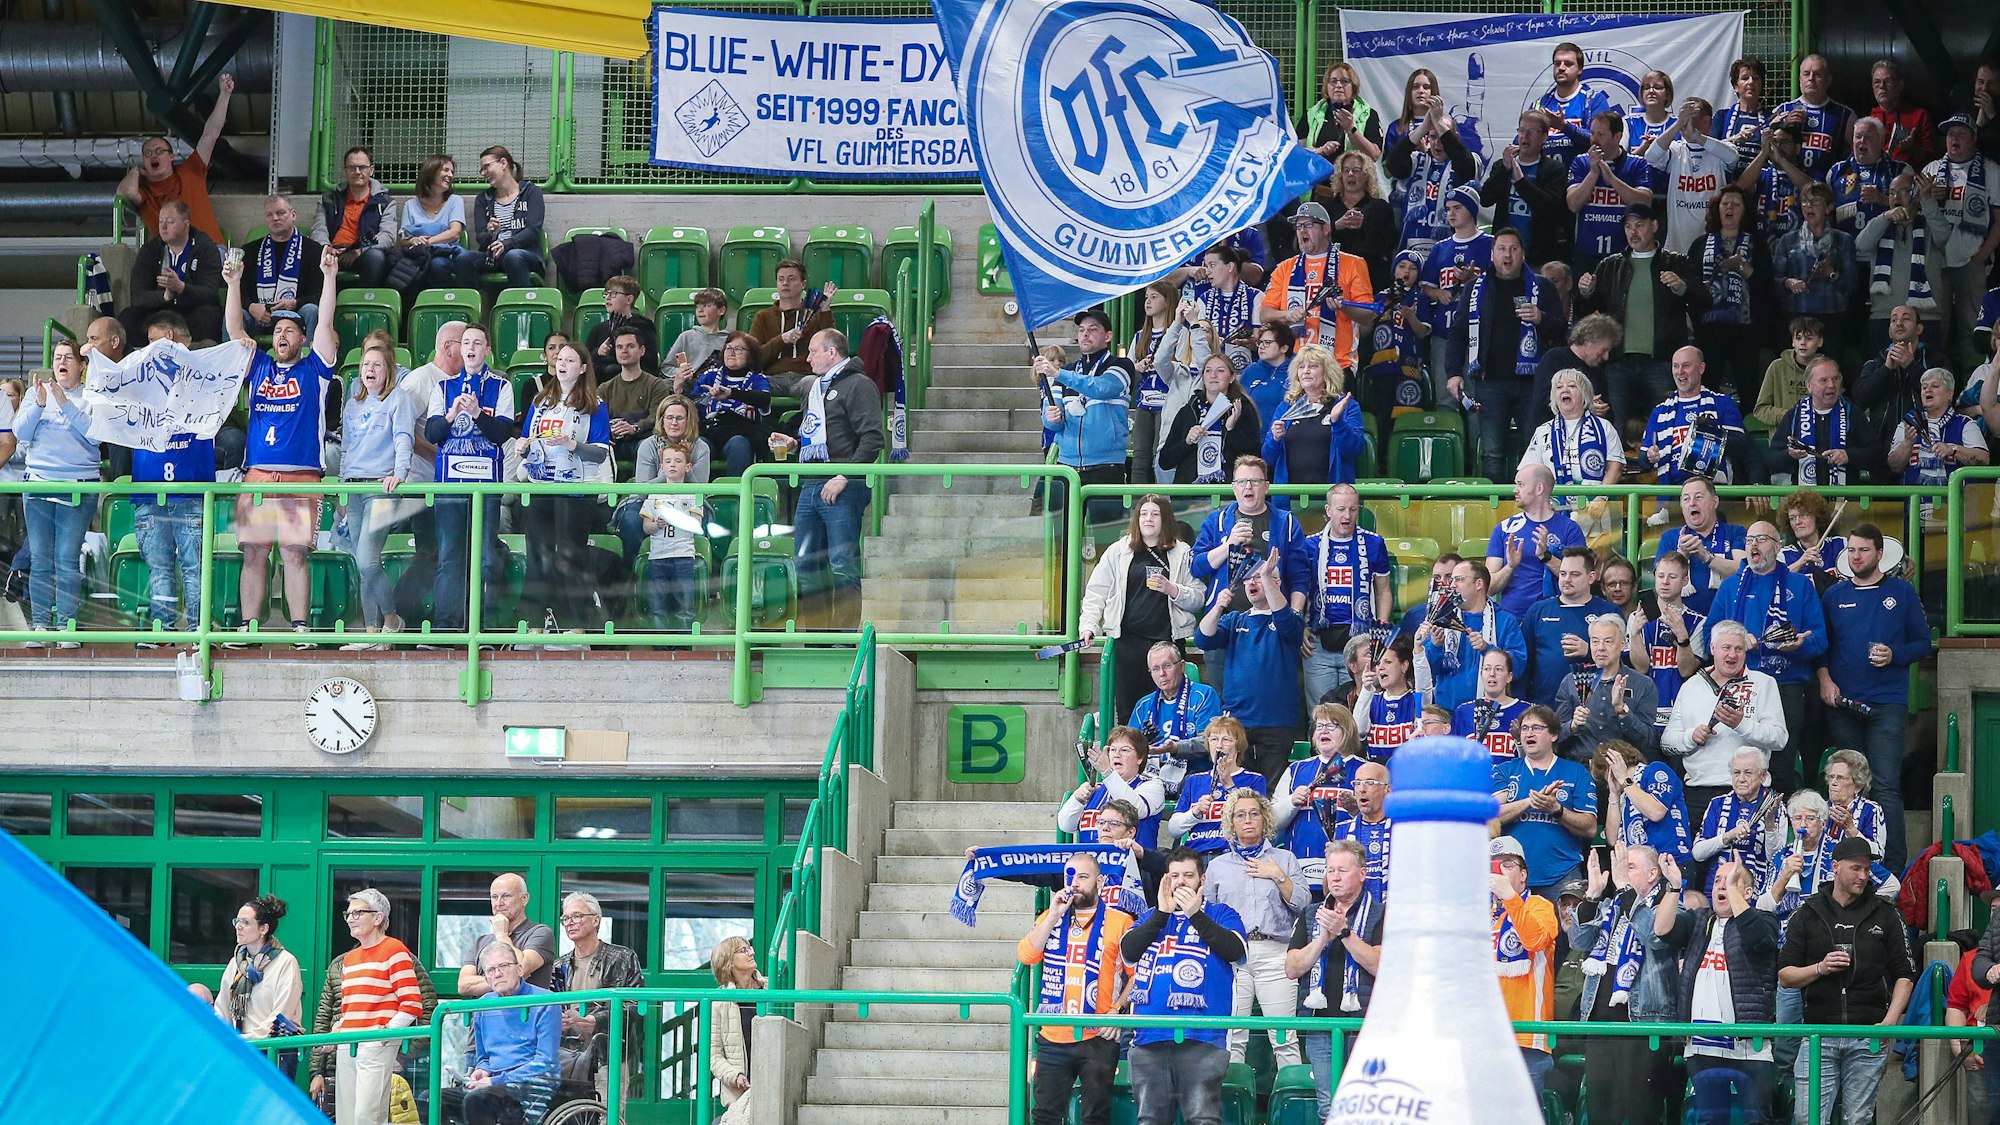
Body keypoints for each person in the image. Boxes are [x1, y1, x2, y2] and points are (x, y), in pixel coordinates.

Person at [223, 245, 342, 644]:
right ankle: (249, 627)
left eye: (290, 330)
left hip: (301, 477)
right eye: (277, 330)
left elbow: (326, 322)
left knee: (294, 554)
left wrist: (329, 277)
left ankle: (300, 627)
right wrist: (234, 284)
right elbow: (235, 333)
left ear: (303, 338)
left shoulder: (315, 368)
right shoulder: (258, 365)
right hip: (258, 475)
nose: (281, 335)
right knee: (253, 553)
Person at [1777, 837, 1917, 1124]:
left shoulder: (1887, 913)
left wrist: (1890, 1022)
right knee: (1807, 1119)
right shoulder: (1807, 912)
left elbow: (1905, 974)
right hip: (1818, 1032)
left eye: (1867, 869)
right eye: (1856, 868)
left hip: (1868, 1033)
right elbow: (1785, 975)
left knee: (1858, 1120)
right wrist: (1819, 968)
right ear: (1835, 866)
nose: (1863, 876)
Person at [1818, 524, 1930, 871]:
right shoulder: (1834, 595)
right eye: (1851, 550)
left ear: (1880, 553)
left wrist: (1894, 654)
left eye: (1863, 550)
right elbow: (1821, 646)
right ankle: (1849, 860)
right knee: (1848, 786)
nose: (1856, 557)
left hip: (1887, 704)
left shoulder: (1902, 592)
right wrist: (1824, 680)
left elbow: (1923, 643)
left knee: (1885, 786)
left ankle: (1892, 869)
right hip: (1843, 705)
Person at [1122, 848, 1247, 1125]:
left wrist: (1195, 914)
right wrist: (1161, 914)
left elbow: (1236, 951)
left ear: (1202, 880)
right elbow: (1129, 952)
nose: (1180, 882)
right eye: (1174, 875)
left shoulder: (1221, 913)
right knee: (1149, 1120)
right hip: (1149, 1037)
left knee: (1203, 1120)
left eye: (1188, 875)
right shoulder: (1150, 916)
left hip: (1203, 1038)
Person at [768, 330, 882, 631]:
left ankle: (844, 640)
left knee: (842, 565)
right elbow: (821, 437)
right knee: (806, 566)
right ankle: (816, 639)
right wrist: (794, 444)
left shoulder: (859, 385)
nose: (807, 358)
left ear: (832, 352)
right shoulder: (817, 387)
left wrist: (844, 475)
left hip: (844, 485)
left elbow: (872, 439)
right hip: (812, 483)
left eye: (813, 351)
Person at [1706, 519, 1828, 791]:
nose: (1753, 545)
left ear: (1777, 546)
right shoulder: (1730, 587)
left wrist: (1799, 645)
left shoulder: (1800, 585)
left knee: (1782, 766)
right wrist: (1737, 641)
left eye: (1761, 539)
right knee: (1740, 763)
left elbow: (1820, 639)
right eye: (1749, 540)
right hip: (1740, 686)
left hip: (1787, 686)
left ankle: (1776, 816)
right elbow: (1708, 637)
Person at [1658, 856, 1783, 1124]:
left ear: (1747, 892)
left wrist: (1734, 892)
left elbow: (1759, 939)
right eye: (1717, 881)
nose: (1721, 886)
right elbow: (1663, 930)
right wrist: (1674, 887)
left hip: (1749, 1046)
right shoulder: (1699, 920)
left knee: (1757, 1120)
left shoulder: (1764, 920)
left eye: (1731, 881)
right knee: (1710, 1121)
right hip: (1703, 1046)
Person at [1016, 852, 1134, 1125]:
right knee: (1044, 1116)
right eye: (1070, 876)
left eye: (1083, 876)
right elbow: (1026, 955)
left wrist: (1118, 1011)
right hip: (1053, 1035)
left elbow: (1138, 975)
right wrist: (1053, 915)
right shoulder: (1050, 917)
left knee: (1095, 1117)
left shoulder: (1121, 921)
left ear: (1100, 882)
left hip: (1098, 1036)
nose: (1075, 883)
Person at [1569, 843, 1677, 1125]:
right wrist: (1592, 896)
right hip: (1600, 1026)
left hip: (1642, 1027)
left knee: (1642, 1115)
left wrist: (1626, 891)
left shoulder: (1667, 906)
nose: (1621, 872)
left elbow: (1654, 936)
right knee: (1601, 1114)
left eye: (1629, 866)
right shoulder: (1611, 906)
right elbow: (1578, 941)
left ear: (1652, 874)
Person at [1581, 206, 1709, 439]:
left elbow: (1705, 300)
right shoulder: (1610, 265)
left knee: (1665, 429)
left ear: (1654, 226)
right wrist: (1586, 293)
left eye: (1639, 225)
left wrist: (1682, 287)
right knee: (1617, 430)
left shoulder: (1677, 262)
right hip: (1619, 364)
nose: (1633, 232)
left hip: (1662, 362)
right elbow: (1587, 312)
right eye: (1628, 227)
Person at [424, 323, 517, 638]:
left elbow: (502, 433)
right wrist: (450, 415)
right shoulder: (444, 387)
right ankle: (445, 629)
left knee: (486, 558)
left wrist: (478, 414)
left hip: (485, 486)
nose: (471, 348)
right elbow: (432, 433)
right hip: (450, 486)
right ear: (459, 349)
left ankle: (484, 629)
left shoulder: (502, 387)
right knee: (449, 557)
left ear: (488, 349)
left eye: (478, 343)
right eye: (466, 343)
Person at [513, 339, 612, 633]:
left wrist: (572, 444)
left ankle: (577, 624)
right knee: (538, 555)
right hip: (541, 487)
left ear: (582, 368)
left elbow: (600, 453)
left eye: (569, 360)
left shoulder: (595, 406)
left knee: (571, 555)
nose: (562, 363)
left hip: (576, 490)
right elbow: (529, 441)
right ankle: (533, 623)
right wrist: (522, 448)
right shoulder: (540, 402)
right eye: (559, 359)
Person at [1204, 790, 1306, 1067]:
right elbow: (1207, 914)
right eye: (1240, 815)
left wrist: (1277, 876)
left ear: (1265, 819)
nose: (1248, 820)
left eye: (1254, 814)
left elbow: (1303, 904)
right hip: (1232, 957)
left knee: (1284, 1038)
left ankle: (1291, 1094)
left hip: (1275, 953)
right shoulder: (1217, 866)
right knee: (1232, 1037)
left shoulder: (1284, 859)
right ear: (1231, 823)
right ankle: (1234, 1093)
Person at [1080, 496, 1204, 720]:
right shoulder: (1118, 551)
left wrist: (1173, 589)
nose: (1148, 519)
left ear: (1165, 519)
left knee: (1169, 708)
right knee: (1129, 711)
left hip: (1168, 642)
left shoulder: (1183, 552)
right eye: (1144, 514)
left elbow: (1197, 598)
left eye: (1155, 514)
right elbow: (1096, 591)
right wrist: (1089, 625)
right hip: (1129, 643)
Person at [1285, 840, 1383, 1121]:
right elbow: (1292, 968)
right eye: (1330, 870)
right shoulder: (1311, 913)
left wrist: (1344, 933)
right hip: (1320, 1025)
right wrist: (1322, 939)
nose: (1335, 877)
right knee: (1328, 1106)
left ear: (1362, 874)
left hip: (1365, 1026)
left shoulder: (1381, 913)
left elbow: (1381, 966)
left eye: (1342, 870)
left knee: (1365, 1107)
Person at [310, 889, 425, 1123]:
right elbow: (348, 1010)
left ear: (378, 917)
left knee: (367, 1116)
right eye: (348, 914)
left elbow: (412, 1003)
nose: (350, 919)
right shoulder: (349, 959)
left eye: (357, 913)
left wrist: (385, 1035)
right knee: (346, 1117)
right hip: (347, 1044)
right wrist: (334, 1035)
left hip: (375, 1044)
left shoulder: (394, 950)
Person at [1460, 228, 1563, 476]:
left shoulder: (1543, 287)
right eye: (1502, 249)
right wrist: (1453, 372)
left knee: (1536, 448)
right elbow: (1458, 332)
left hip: (1532, 384)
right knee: (1492, 452)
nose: (1507, 255)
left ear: (1523, 254)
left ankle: (1535, 498)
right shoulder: (1475, 288)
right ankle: (1495, 500)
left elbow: (1562, 331)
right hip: (1490, 382)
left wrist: (1541, 318)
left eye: (1514, 249)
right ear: (1492, 254)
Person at [1195, 553, 1305, 788]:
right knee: (1235, 790)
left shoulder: (1291, 620)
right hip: (1237, 722)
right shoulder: (1235, 620)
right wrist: (1218, 607)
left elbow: (1285, 622)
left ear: (1276, 583)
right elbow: (1202, 638)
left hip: (1276, 723)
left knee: (1271, 792)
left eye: (1260, 577)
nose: (1252, 582)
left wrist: (1267, 577)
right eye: (1248, 579)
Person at [1662, 619, 1788, 816]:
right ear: (1712, 649)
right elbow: (1667, 743)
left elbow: (1779, 739)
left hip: (1749, 792)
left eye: (1739, 649)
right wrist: (1691, 737)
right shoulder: (1691, 686)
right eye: (1726, 648)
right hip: (1698, 792)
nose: (1732, 655)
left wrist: (1741, 724)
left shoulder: (1764, 683)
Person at [337, 337, 415, 648]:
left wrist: (400, 473)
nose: (370, 369)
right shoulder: (352, 404)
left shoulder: (398, 398)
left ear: (388, 370)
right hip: (354, 487)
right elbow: (346, 448)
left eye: (377, 365)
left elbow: (403, 438)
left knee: (367, 561)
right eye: (366, 364)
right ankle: (372, 633)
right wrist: (342, 487)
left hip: (381, 488)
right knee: (361, 565)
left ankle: (392, 622)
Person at [1034, 308, 1133, 525]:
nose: (1085, 334)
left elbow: (1101, 388)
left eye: (1093, 329)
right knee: (1062, 539)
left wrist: (1059, 373)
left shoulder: (1121, 366)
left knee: (1105, 539)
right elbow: (1051, 420)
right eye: (1081, 330)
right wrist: (1052, 417)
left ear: (1108, 336)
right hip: (1066, 470)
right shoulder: (1067, 372)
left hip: (1106, 468)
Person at [1919, 115, 2000, 373]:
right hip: (1936, 262)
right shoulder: (1931, 169)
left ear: (1974, 138)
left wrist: (1981, 256)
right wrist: (1927, 197)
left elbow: (1999, 221)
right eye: (1950, 133)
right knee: (1935, 327)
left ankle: (1974, 383)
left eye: (1961, 133)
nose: (1954, 138)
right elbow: (1915, 214)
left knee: (1972, 328)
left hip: (1970, 261)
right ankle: (1934, 382)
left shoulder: (1991, 170)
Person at [1259, 202, 1376, 374]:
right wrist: (1287, 314)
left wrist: (1344, 307)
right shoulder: (1285, 268)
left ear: (1326, 229)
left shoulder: (1353, 264)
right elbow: (1264, 315)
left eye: (1308, 225)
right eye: (1298, 226)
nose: (1302, 231)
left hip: (1338, 365)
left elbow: (1368, 317)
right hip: (1297, 365)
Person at [1493, 704, 1597, 895]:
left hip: (1562, 874)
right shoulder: (1505, 771)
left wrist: (1557, 810)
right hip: (1511, 877)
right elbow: (1491, 816)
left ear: (1554, 735)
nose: (1529, 733)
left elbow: (1590, 828)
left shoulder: (1576, 772)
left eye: (1537, 728)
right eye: (1525, 728)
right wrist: (1530, 802)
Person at [1189, 454, 1310, 618]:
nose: (1248, 487)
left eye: (1255, 481)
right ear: (1234, 487)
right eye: (1241, 482)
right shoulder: (1216, 521)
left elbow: (1300, 576)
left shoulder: (1286, 523)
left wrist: (1294, 616)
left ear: (1266, 487)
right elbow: (1196, 567)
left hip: (1273, 620)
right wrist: (1228, 546)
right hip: (1226, 620)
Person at [1303, 484, 1391, 705]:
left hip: (1360, 642)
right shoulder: (1310, 545)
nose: (1347, 516)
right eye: (1341, 509)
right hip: (1319, 643)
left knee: (1360, 708)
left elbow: (1383, 591)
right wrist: (1300, 627)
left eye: (1353, 509)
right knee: (1320, 711)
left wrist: (1380, 633)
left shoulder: (1374, 543)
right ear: (1328, 510)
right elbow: (1299, 589)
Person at [1489, 835, 1561, 1102]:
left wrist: (1509, 897)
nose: (1498, 871)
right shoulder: (1478, 914)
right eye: (1493, 865)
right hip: (1484, 1036)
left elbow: (1535, 940)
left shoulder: (1540, 906)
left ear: (1523, 876)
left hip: (1526, 1037)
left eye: (1507, 864)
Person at [118, 75, 232, 243]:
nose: (153, 155)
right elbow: (125, 192)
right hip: (171, 254)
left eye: (159, 151)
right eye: (147, 153)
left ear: (171, 156)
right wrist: (135, 171)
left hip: (209, 250)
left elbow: (211, 134)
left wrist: (224, 95)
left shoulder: (192, 170)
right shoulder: (144, 192)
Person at [462, 943, 561, 1125]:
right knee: (433, 1098)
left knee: (476, 1100)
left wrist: (497, 1081)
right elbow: (483, 1057)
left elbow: (545, 1061)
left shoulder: (546, 1001)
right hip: (494, 1083)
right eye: (491, 970)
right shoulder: (483, 1004)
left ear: (520, 969)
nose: (497, 973)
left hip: (531, 1083)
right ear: (487, 979)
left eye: (503, 966)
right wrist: (482, 1070)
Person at [555, 892, 645, 1092]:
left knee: (605, 1108)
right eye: (565, 918)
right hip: (568, 1056)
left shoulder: (622, 958)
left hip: (607, 1055)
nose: (570, 923)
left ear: (595, 920)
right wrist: (558, 1021)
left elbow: (634, 1005)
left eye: (577, 916)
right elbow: (550, 1007)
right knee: (569, 1110)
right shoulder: (559, 965)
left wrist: (598, 1021)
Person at [1271, 703, 1363, 893]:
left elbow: (1378, 820)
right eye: (1319, 726)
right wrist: (1291, 802)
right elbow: (1272, 822)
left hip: (1346, 871)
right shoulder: (1296, 770)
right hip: (1299, 868)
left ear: (1347, 731)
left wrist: (1357, 810)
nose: (1323, 731)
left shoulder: (1363, 770)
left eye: (1331, 726)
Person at [1521, 368, 1623, 536]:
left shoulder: (1604, 427)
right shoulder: (1543, 431)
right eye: (1559, 387)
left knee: (1596, 553)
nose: (1565, 390)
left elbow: (1615, 467)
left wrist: (1601, 498)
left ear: (1584, 394)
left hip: (1597, 507)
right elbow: (1528, 471)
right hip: (1553, 508)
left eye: (1572, 386)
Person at [1384, 77, 1481, 253]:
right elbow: (1393, 163)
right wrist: (1424, 127)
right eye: (1433, 137)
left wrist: (1440, 125)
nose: (1438, 143)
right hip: (1412, 249)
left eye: (1442, 137)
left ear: (1454, 137)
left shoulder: (1468, 160)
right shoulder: (1417, 160)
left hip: (1451, 250)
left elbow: (1466, 168)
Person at [1416, 558, 1527, 712]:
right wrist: (1435, 646)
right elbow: (1427, 673)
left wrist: (1487, 649)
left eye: (1459, 579)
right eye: (1452, 580)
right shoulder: (1442, 619)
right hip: (1445, 712)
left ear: (1479, 584)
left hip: (1486, 712)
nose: (1452, 585)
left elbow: (1517, 667)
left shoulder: (1505, 621)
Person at [211, 894, 304, 1073]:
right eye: (237, 921)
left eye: (245, 922)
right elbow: (222, 1008)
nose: (238, 927)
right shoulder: (236, 963)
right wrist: (225, 1036)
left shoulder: (285, 962)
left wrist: (249, 1038)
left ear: (263, 929)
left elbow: (281, 1015)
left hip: (273, 1049)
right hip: (240, 1049)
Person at [1487, 463, 1587, 620]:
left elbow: (1580, 579)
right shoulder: (1504, 529)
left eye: (1520, 484)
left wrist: (1546, 557)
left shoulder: (1570, 529)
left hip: (1557, 618)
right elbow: (1489, 587)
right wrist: (1510, 566)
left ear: (1539, 488)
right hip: (1513, 619)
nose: (1515, 490)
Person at [1261, 343, 1363, 495]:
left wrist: (1338, 422)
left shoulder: (1346, 406)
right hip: (1290, 498)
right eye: (1301, 367)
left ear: (1327, 372)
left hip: (1333, 498)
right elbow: (1269, 458)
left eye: (1313, 366)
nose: (1306, 371)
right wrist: (1275, 439)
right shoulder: (1286, 407)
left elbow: (1354, 449)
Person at [1524, 546, 1620, 706]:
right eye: (1563, 574)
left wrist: (1589, 651)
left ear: (1591, 577)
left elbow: (1623, 660)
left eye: (1575, 574)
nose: (1567, 579)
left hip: (1593, 709)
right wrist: (1522, 704)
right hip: (1544, 707)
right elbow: (1524, 662)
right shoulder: (1538, 611)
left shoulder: (1608, 612)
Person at [1420, 185, 1495, 390]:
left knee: (1477, 395)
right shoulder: (1440, 248)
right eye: (1448, 209)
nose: (1451, 213)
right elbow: (1426, 287)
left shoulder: (1490, 244)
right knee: (1445, 395)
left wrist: (1473, 280)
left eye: (1457, 208)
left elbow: (1501, 284)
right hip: (1444, 330)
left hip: (1479, 331)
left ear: (1471, 209)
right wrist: (1439, 293)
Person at [1642, 346, 1747, 490]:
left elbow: (1741, 447)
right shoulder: (1660, 411)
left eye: (1686, 365)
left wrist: (1704, 441)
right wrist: (1649, 456)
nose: (1680, 371)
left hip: (1713, 490)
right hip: (1670, 493)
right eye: (1675, 366)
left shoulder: (1722, 403)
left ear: (1701, 368)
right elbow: (1642, 460)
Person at [1773, 184, 1860, 357]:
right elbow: (1773, 283)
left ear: (1828, 207)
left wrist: (1831, 274)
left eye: (1816, 201)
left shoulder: (1843, 240)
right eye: (1805, 202)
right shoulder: (1787, 241)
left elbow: (1852, 286)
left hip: (1832, 319)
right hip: (1796, 316)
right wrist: (1788, 282)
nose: (1809, 206)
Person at [1645, 97, 1740, 255]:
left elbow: (1733, 157)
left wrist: (1697, 137)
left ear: (1706, 121)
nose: (1685, 121)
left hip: (1712, 245)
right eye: (1682, 116)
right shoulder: (1676, 150)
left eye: (1690, 115)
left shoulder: (1719, 148)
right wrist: (1677, 125)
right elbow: (1650, 156)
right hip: (1677, 247)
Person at [122, 199, 225, 345]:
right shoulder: (150, 250)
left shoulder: (205, 248)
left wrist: (182, 288)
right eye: (160, 221)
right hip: (159, 310)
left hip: (192, 310)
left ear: (186, 224)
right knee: (129, 316)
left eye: (170, 222)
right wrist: (165, 296)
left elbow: (210, 293)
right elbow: (137, 296)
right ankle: (139, 358)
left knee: (209, 316)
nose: (163, 227)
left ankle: (200, 356)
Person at [1567, 112, 1660, 271]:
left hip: (1625, 255)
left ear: (1617, 137)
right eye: (1592, 133)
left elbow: (1645, 203)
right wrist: (1593, 173)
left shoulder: (1637, 164)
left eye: (1601, 134)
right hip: (1586, 253)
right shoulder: (1581, 162)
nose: (1594, 139)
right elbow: (1573, 204)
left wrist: (1612, 179)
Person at [1128, 642, 1222, 800]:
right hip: (1150, 777)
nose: (1162, 674)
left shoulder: (1203, 695)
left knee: (1194, 784)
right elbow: (1128, 744)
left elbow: (1210, 742)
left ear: (1182, 666)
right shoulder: (1143, 705)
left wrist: (1175, 748)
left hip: (1192, 774)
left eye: (1167, 666)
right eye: (1155, 669)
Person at [1696, 185, 1763, 403]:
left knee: (1749, 391)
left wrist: (1741, 266)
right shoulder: (1700, 244)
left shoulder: (1757, 244)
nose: (1729, 208)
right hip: (1709, 329)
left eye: (1736, 204)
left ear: (1745, 211)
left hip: (1745, 329)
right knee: (1707, 390)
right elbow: (1692, 286)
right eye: (1725, 203)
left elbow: (1766, 285)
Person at [1484, 109, 1574, 267]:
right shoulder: (1502, 165)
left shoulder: (1554, 169)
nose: (1525, 136)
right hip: (1505, 254)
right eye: (1522, 130)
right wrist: (1504, 169)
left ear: (1544, 136)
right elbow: (1486, 199)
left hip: (1538, 255)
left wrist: (1521, 182)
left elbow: (1551, 208)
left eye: (1532, 132)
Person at [1854, 304, 1935, 477]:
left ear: (1919, 328)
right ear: (1889, 329)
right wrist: (1886, 369)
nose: (1899, 323)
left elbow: (1942, 394)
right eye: (1893, 320)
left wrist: (1910, 365)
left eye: (1906, 318)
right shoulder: (1875, 364)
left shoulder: (1935, 359)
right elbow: (1860, 399)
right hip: (1882, 453)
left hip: (1926, 448)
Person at [1557, 616, 1657, 756]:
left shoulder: (1643, 684)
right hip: (1581, 765)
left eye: (1608, 641)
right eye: (1595, 641)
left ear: (1623, 644)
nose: (1600, 648)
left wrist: (1622, 711)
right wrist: (1573, 725)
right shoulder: (1571, 682)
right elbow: (1555, 736)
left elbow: (1647, 740)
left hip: (1623, 764)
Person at [1692, 747, 1788, 891]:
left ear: (1763, 776)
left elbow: (1776, 859)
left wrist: (1769, 823)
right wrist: (1727, 836)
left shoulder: (1776, 807)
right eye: (1736, 773)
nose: (1741, 779)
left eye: (1748, 773)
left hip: (1757, 892)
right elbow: (1698, 853)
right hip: (1717, 890)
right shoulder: (1717, 804)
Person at [1165, 718, 1267, 852]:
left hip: (1233, 854)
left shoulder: (1254, 780)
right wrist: (1195, 812)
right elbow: (1173, 829)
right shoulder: (1194, 781)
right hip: (1197, 854)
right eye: (1214, 739)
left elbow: (1259, 823)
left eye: (1226, 740)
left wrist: (1229, 785)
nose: (1219, 746)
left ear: (1238, 745)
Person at [1060, 725, 1168, 850]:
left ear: (1140, 758)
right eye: (1112, 750)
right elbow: (1065, 826)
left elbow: (1136, 809)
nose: (1117, 755)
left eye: (1125, 750)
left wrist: (1107, 772)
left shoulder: (1152, 785)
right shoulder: (1096, 790)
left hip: (1133, 861)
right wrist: (1077, 799)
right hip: (1090, 860)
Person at [1159, 354, 1261, 485]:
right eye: (1208, 371)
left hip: (1229, 491)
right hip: (1191, 492)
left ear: (1232, 378)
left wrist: (1231, 430)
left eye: (1220, 371)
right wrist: (1187, 442)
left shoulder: (1242, 409)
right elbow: (1165, 461)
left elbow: (1254, 456)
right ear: (1203, 377)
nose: (1213, 375)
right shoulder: (1189, 410)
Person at [1598, 738, 1693, 871]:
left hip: (1671, 862)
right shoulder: (1621, 791)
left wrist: (1624, 779)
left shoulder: (1655, 769)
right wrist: (1614, 795)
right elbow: (1613, 840)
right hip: (1638, 867)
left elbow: (1656, 812)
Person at [457, 145, 545, 289]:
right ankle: (472, 302)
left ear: (503, 163)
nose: (483, 173)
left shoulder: (531, 192)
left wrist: (507, 244)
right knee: (464, 258)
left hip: (524, 254)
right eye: (482, 169)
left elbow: (533, 230)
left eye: (486, 167)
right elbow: (481, 237)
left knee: (513, 256)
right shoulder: (483, 199)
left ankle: (520, 303)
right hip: (492, 256)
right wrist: (491, 233)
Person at [239, 195, 326, 340]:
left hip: (296, 317)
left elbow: (321, 294)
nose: (275, 218)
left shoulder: (314, 250)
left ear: (293, 215)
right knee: (237, 313)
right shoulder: (250, 251)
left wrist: (295, 303)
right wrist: (250, 306)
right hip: (259, 316)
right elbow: (237, 291)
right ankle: (231, 355)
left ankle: (309, 354)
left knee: (312, 310)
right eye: (269, 215)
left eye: (280, 213)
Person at [457, 872, 558, 996]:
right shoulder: (480, 942)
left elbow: (521, 968)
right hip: (488, 1008)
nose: (499, 903)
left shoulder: (540, 933)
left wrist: (502, 935)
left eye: (506, 896)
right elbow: (463, 986)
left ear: (524, 899)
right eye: (494, 897)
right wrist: (504, 980)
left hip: (528, 1008)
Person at [1889, 366, 1990, 489]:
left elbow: (1983, 459)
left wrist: (1953, 449)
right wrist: (1907, 443)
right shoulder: (1908, 423)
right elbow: (1894, 466)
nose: (1928, 390)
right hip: (1914, 500)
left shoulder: (1965, 423)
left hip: (1955, 500)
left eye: (1935, 386)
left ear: (1949, 394)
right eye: (1924, 387)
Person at [1660, 475, 1746, 616]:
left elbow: (1742, 571)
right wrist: (1681, 555)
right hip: (1681, 619)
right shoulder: (1669, 537)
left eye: (1698, 497)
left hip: (1728, 619)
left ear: (1714, 502)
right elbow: (1662, 583)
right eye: (1686, 499)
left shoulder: (1736, 532)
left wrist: (1706, 556)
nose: (1692, 503)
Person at [313, 146, 398, 288]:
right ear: (345, 170)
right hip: (332, 253)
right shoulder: (329, 199)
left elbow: (387, 236)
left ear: (371, 170)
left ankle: (364, 299)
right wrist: (326, 247)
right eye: (352, 167)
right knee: (308, 254)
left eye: (362, 167)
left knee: (376, 257)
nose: (357, 172)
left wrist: (360, 251)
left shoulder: (385, 202)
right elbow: (318, 229)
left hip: (363, 254)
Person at [690, 331, 772, 479]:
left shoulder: (758, 379)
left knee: (738, 444)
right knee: (699, 444)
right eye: (728, 348)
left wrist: (731, 393)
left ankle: (737, 492)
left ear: (751, 355)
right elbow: (691, 405)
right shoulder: (709, 376)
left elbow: (764, 399)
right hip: (710, 430)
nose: (731, 353)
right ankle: (695, 490)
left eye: (738, 349)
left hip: (741, 432)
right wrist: (705, 396)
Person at [638, 442, 701, 632]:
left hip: (683, 556)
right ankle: (661, 645)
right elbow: (646, 527)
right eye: (668, 461)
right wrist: (657, 524)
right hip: (658, 557)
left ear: (688, 467)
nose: (672, 465)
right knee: (657, 606)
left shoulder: (693, 495)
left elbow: (696, 525)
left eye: (678, 461)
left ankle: (683, 644)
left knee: (685, 605)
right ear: (661, 467)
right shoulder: (653, 495)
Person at [750, 259, 837, 395]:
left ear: (803, 284)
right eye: (781, 279)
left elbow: (832, 349)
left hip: (806, 377)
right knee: (749, 385)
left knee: (815, 385)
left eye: (791, 279)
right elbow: (753, 359)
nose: (785, 283)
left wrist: (825, 310)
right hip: (772, 378)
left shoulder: (814, 315)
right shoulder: (762, 317)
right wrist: (781, 340)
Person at [1320, 152, 1398, 294]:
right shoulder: (1326, 207)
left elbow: (1390, 244)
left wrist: (1366, 224)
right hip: (1333, 278)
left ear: (1366, 175)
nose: (1350, 174)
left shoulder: (1381, 207)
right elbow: (1315, 241)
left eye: (1356, 170)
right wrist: (1337, 225)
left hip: (1371, 278)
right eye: (1346, 170)